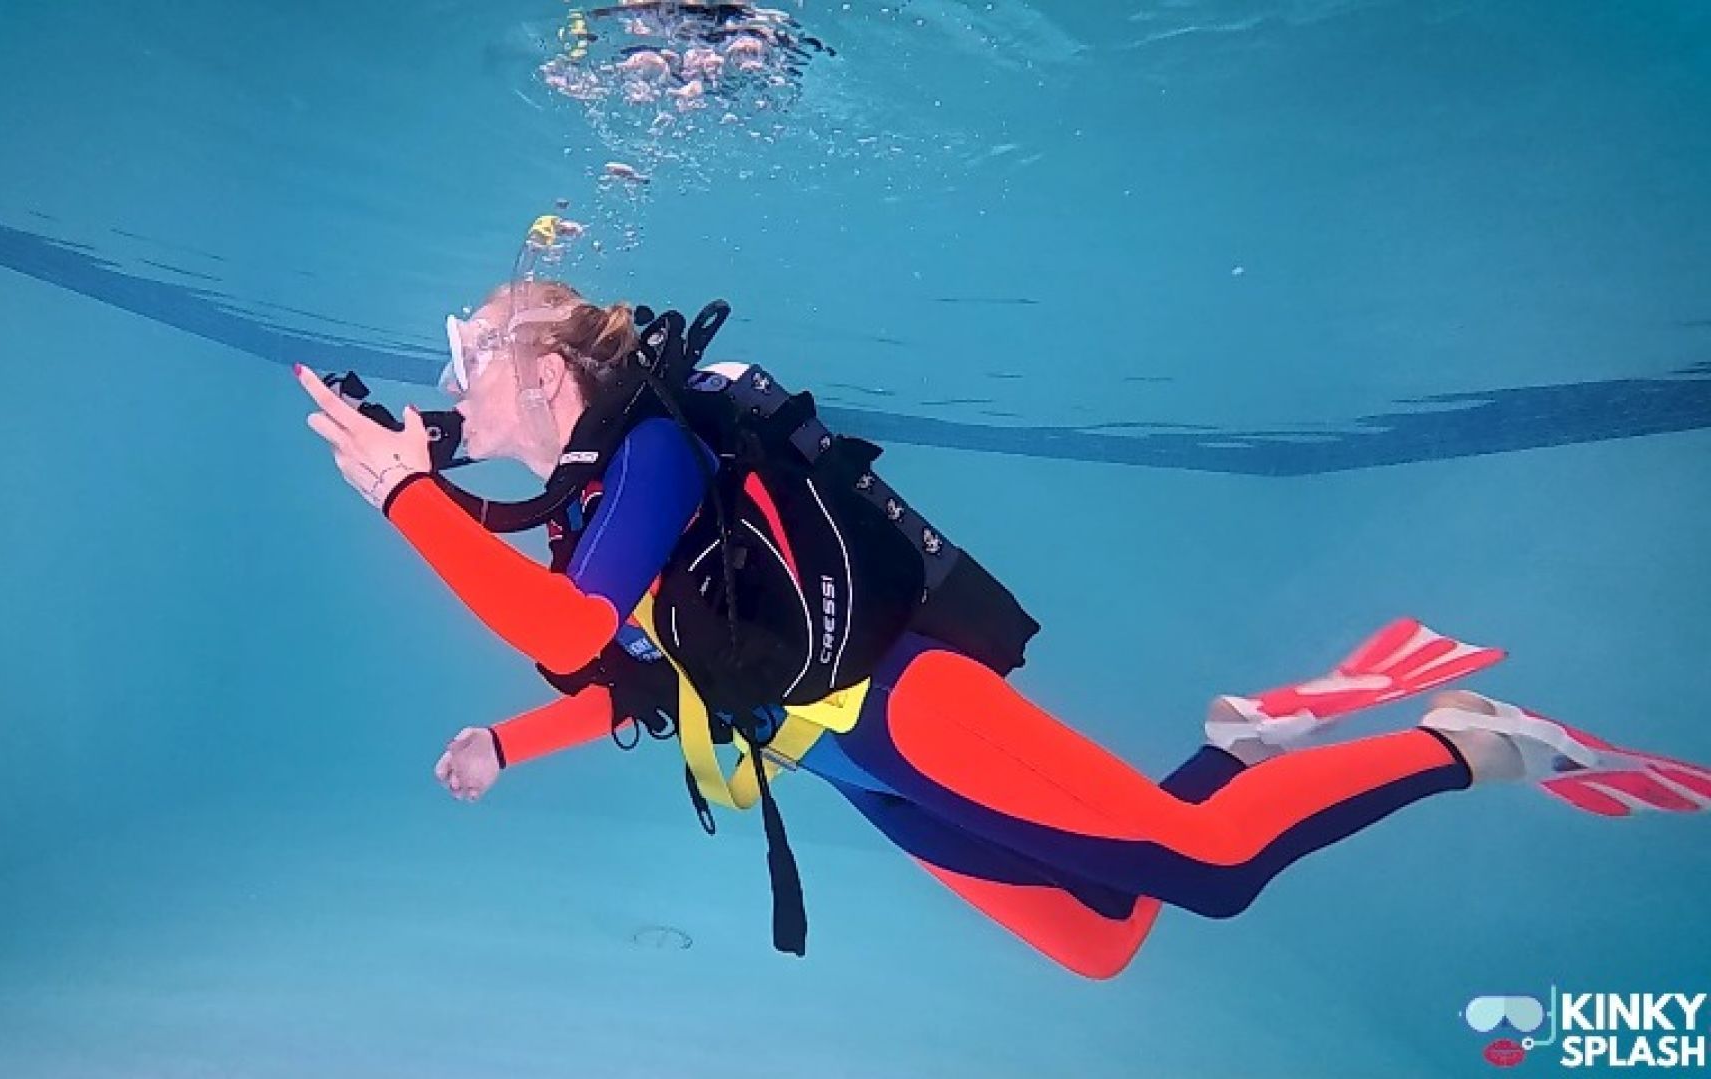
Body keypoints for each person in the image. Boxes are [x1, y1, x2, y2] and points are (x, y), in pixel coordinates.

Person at [294, 279, 1710, 979]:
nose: (454, 397)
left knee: (1209, 873)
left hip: (909, 712)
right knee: (1104, 938)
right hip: (860, 768)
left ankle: (1465, 747)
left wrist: (413, 497)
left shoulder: (655, 461)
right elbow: (647, 684)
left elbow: (561, 628)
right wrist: (505, 745)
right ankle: (1243, 734)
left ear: (545, 376)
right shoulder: (603, 498)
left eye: (471, 371)